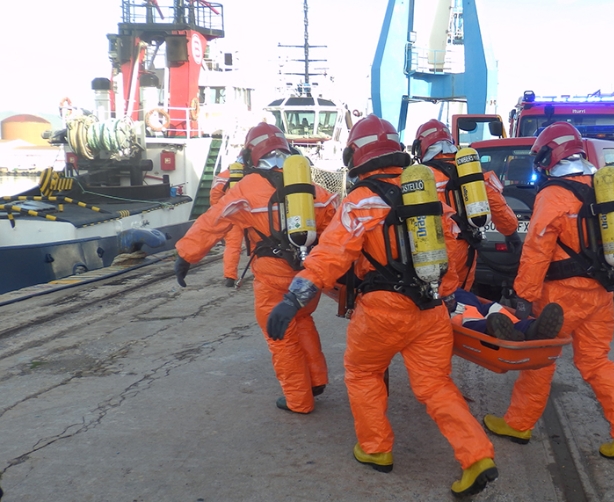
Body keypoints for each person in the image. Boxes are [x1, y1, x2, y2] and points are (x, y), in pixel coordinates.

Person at [265, 115, 499, 497]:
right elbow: (449, 259)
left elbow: (331, 255)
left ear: (356, 155)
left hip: (382, 313)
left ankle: (375, 449)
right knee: (435, 385)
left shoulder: (361, 201)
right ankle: (477, 457)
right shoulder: (428, 195)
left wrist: (294, 297)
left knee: (362, 373)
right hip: (430, 310)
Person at [482, 122, 614, 459]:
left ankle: (519, 423)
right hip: (600, 293)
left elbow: (537, 248)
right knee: (596, 362)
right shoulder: (600, 188)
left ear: (548, 156)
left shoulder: (553, 194)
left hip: (561, 297)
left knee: (540, 361)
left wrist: (524, 296)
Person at [174, 123, 338, 414]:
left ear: (251, 155)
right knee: (302, 322)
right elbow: (334, 227)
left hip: (273, 280)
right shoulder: (311, 188)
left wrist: (186, 255)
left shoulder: (246, 188)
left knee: (281, 336)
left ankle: (299, 400)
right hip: (307, 279)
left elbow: (214, 221)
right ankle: (316, 381)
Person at [412, 119, 519, 289]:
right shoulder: (472, 172)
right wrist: (511, 233)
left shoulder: (420, 178)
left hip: (432, 252)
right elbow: (497, 205)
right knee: (461, 299)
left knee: (437, 301)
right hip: (466, 248)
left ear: (421, 146)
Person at [450, 288, 564, 342]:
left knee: (494, 310)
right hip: (452, 300)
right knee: (470, 320)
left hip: (454, 293)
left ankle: (531, 328)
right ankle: (522, 329)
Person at [208, 167, 244, 287]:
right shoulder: (251, 173)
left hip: (230, 216)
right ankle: (259, 273)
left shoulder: (221, 176)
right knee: (258, 245)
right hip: (249, 214)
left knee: (232, 247)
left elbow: (214, 198)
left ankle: (230, 276)